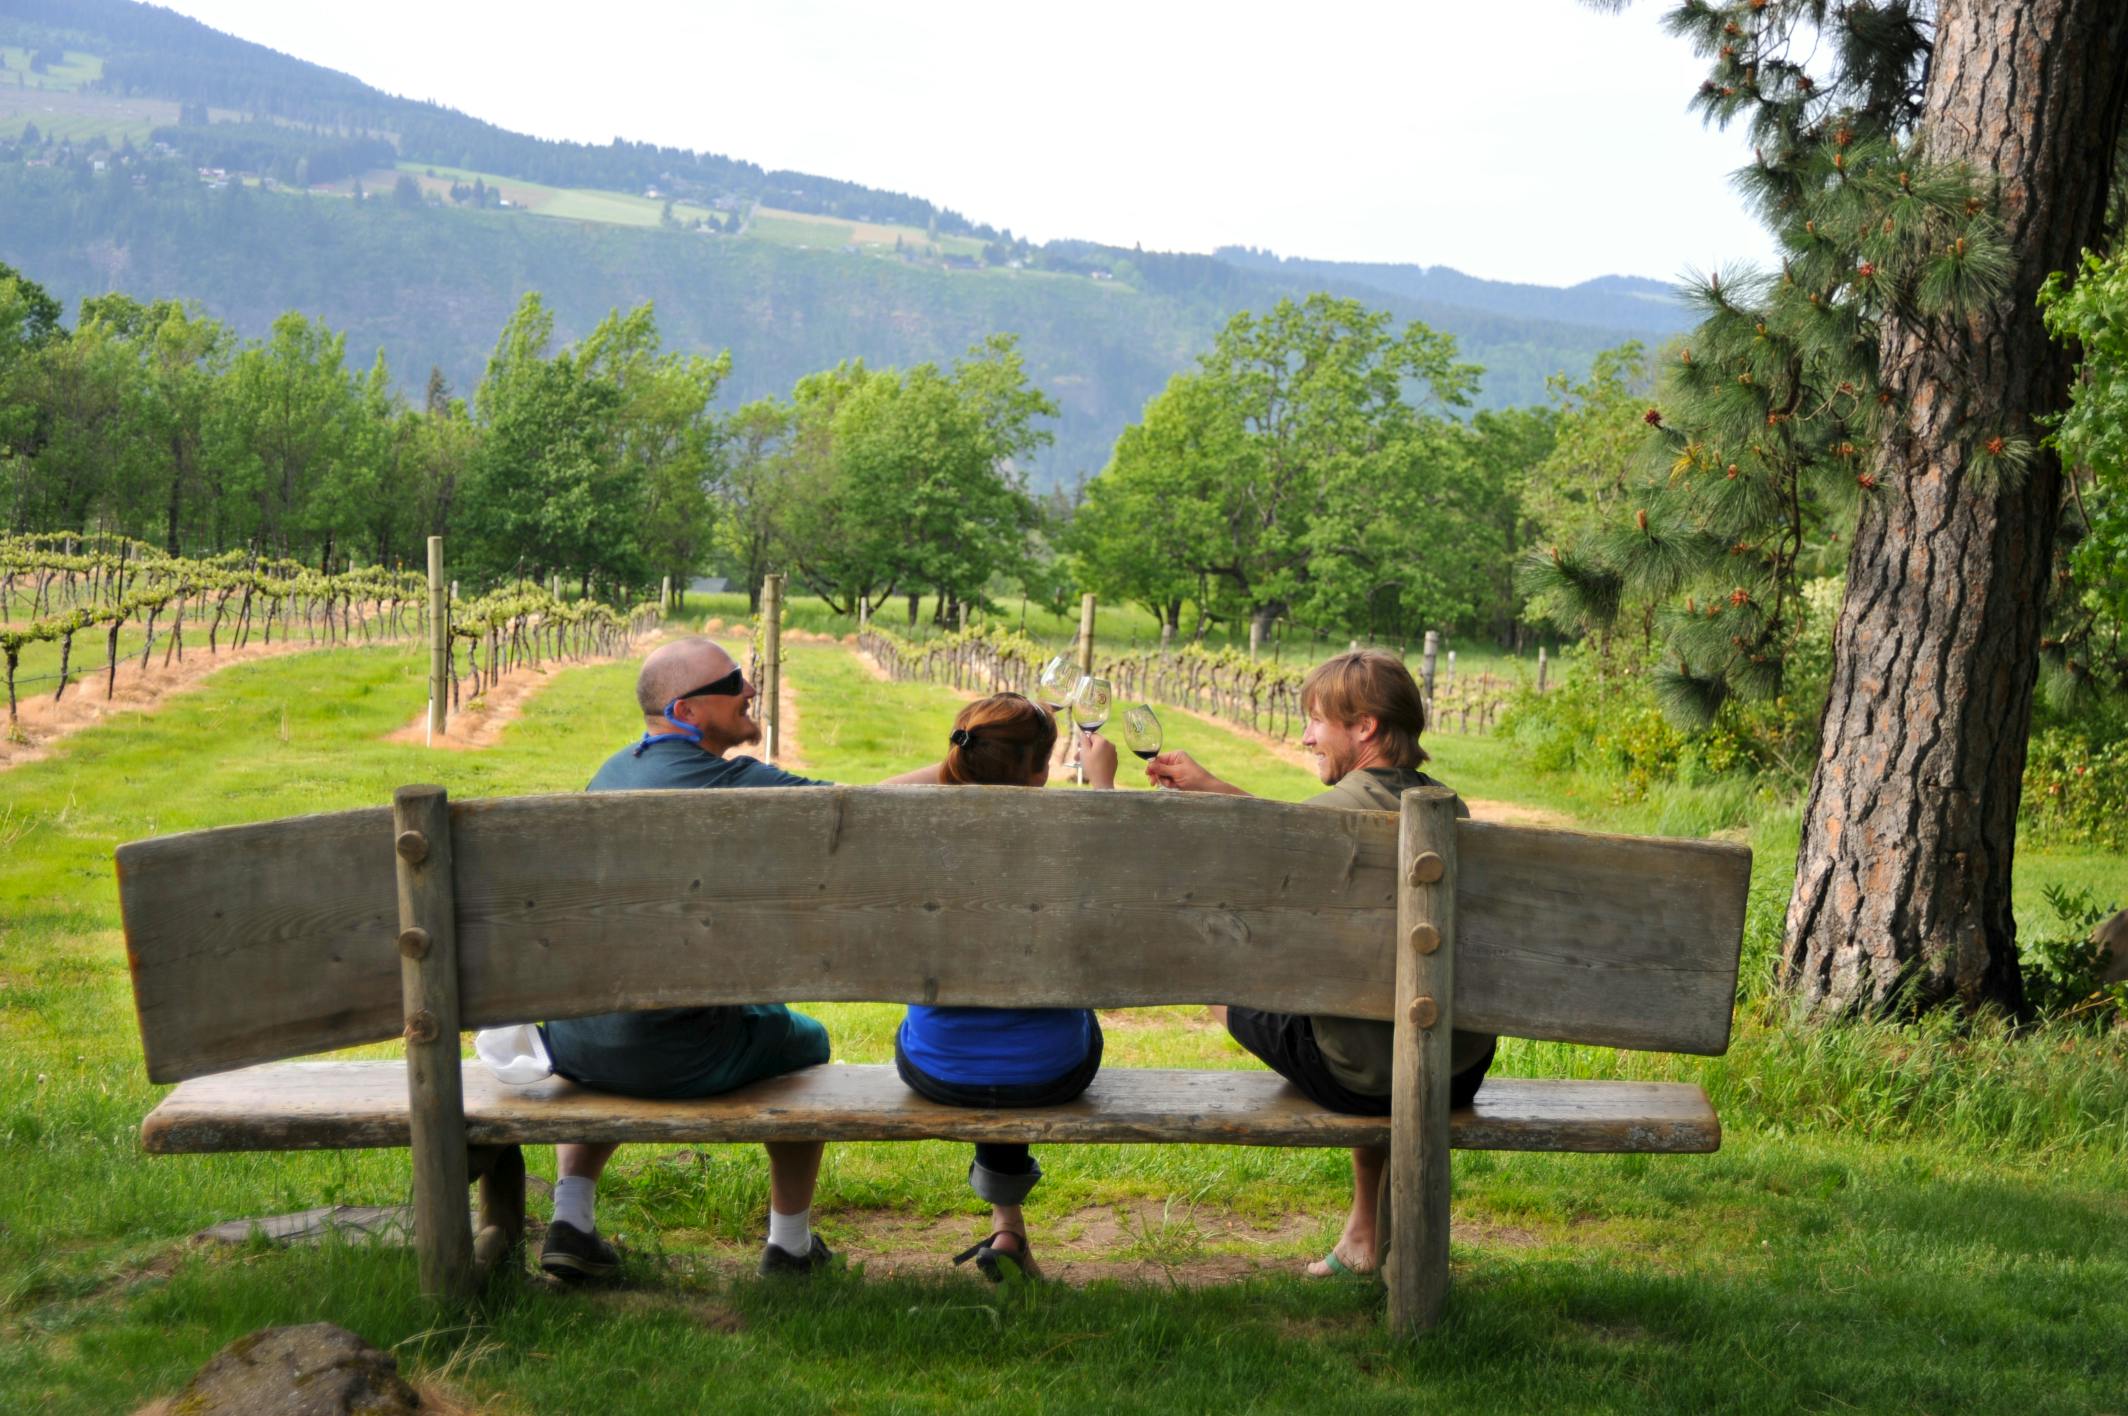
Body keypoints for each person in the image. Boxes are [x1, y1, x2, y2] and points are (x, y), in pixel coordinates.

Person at [537, 635, 939, 1284]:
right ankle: (790, 1246)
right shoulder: (733, 782)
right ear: (685, 712)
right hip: (677, 1053)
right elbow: (862, 810)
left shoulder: (611, 773)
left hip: (574, 1044)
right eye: (731, 684)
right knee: (806, 1042)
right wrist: (955, 767)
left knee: (623, 1016)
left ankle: (571, 1220)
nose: (749, 688)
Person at [1145, 649, 1496, 1280]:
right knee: (1372, 1007)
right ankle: (1363, 1231)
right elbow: (1301, 831)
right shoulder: (1452, 812)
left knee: (1222, 979)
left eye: (1315, 721)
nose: (1305, 737)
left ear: (1364, 726)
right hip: (1456, 1068)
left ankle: (1365, 1233)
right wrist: (1217, 788)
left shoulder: (1330, 823)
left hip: (1365, 1078)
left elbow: (1266, 878)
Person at [893, 693, 1118, 1280]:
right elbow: (1124, 878)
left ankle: (1008, 1228)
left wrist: (977, 759)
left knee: (973, 1028)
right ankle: (1007, 1231)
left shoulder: (911, 834)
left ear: (959, 755)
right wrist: (1103, 787)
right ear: (1041, 771)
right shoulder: (1072, 847)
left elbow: (871, 793)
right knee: (1033, 1029)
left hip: (937, 1068)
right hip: (1053, 1071)